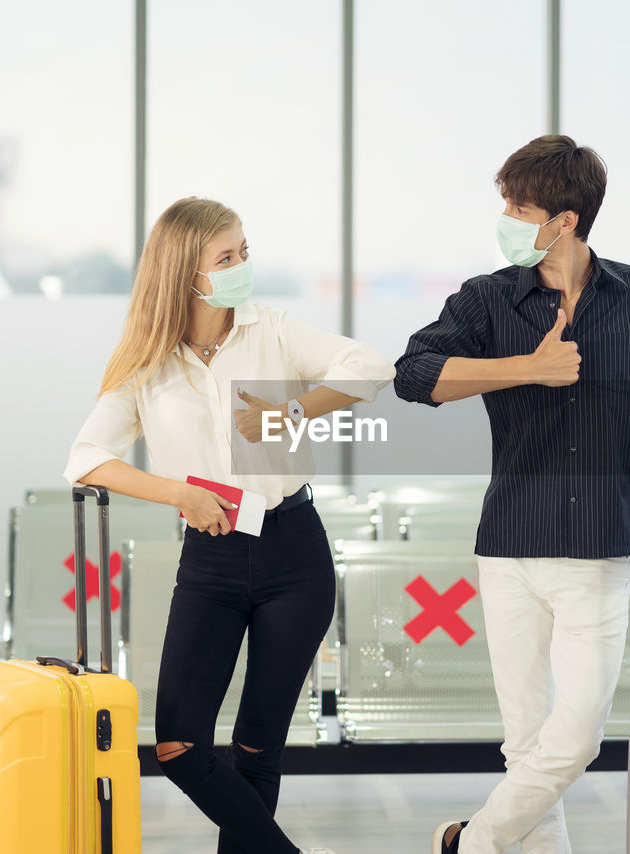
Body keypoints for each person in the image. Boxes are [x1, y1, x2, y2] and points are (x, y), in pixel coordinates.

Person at [394, 135, 630, 854]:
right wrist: (526, 367)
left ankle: (471, 844)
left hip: (599, 548)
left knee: (574, 740)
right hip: (509, 546)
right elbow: (414, 374)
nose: (503, 216)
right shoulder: (490, 298)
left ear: (564, 219)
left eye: (517, 205)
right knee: (527, 745)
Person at [64, 196, 393, 854]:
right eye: (226, 257)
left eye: (244, 251)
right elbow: (86, 459)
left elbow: (372, 368)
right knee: (180, 745)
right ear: (186, 271)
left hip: (293, 554)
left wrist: (291, 409)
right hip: (211, 560)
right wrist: (179, 494)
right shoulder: (147, 361)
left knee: (255, 749)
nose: (242, 265)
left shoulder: (270, 329)